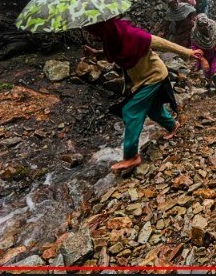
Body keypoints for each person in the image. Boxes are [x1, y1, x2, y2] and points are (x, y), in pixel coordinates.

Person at [83, 17, 203, 171]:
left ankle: (132, 156)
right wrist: (96, 54)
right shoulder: (114, 36)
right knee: (153, 110)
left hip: (153, 75)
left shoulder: (131, 34)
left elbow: (160, 42)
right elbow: (114, 53)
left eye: (95, 31)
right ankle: (173, 125)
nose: (95, 35)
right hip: (142, 79)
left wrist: (188, 52)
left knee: (131, 111)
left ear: (102, 28)